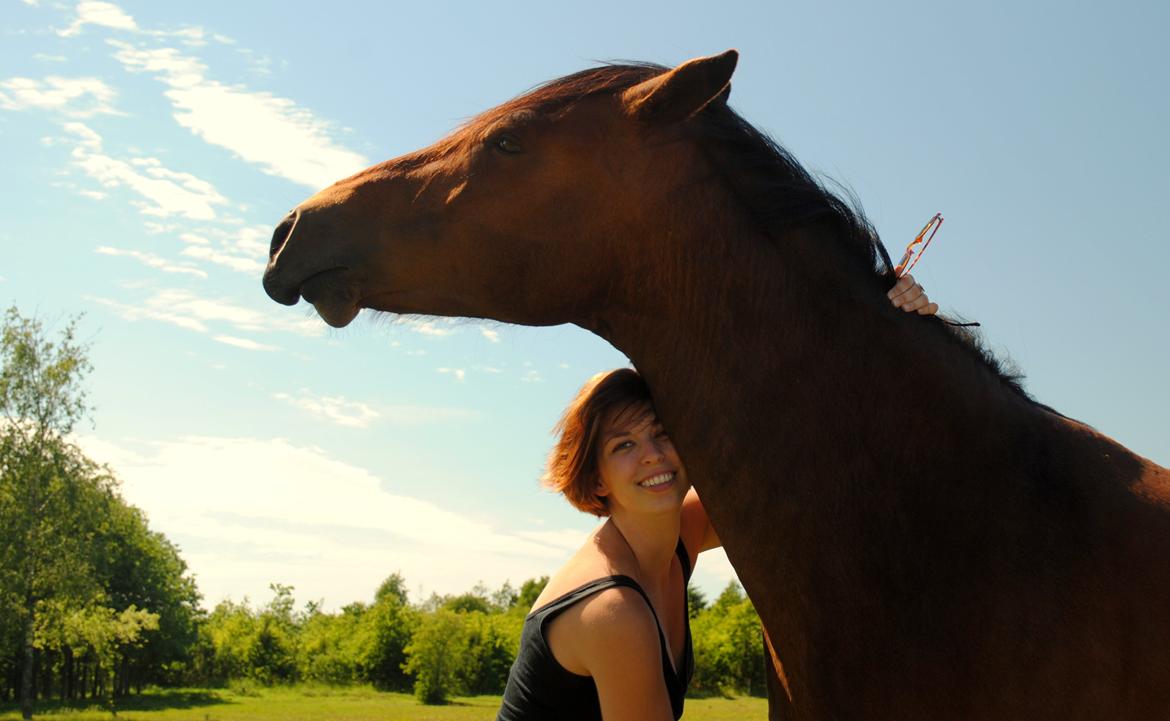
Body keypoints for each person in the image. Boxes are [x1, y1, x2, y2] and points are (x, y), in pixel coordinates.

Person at [497, 276, 937, 721]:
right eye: (623, 446)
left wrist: (882, 332)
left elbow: (790, 451)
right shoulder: (614, 611)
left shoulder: (677, 539)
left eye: (662, 433)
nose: (653, 456)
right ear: (596, 482)